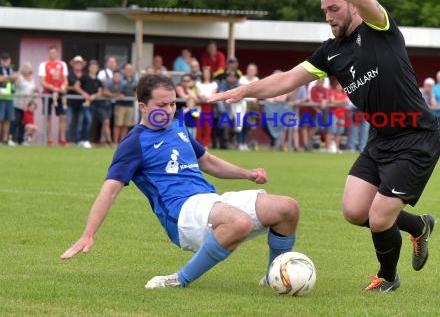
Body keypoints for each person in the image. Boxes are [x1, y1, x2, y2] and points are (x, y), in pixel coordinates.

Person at [210, 0, 439, 292]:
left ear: (352, 8)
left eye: (335, 9)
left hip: (415, 136)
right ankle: (418, 226)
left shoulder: (380, 29)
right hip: (381, 139)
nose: (329, 17)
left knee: (378, 218)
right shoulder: (331, 53)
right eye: (325, 12)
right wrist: (244, 90)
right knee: (354, 210)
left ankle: (388, 278)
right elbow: (286, 80)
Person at [60, 74, 300, 290]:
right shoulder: (133, 143)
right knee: (239, 222)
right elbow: (110, 190)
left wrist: (246, 173)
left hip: (210, 201)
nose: (169, 110)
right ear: (143, 107)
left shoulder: (179, 127)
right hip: (182, 213)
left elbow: (207, 161)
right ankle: (179, 279)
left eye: (173, 104)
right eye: (162, 105)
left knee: (288, 208)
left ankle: (273, 277)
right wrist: (88, 234)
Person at [38, 46, 68, 146]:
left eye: (54, 52)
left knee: (63, 116)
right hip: (47, 93)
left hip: (60, 92)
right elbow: (42, 81)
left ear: (57, 53)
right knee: (48, 116)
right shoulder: (44, 65)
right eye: (51, 52)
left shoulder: (62, 64)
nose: (53, 54)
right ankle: (49, 139)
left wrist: (63, 87)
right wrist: (52, 87)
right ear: (48, 53)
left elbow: (65, 79)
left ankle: (62, 139)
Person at [12, 63, 38, 145]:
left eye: (28, 68)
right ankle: (11, 139)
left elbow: (33, 90)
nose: (27, 69)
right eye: (25, 67)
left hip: (28, 107)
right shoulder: (19, 77)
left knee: (23, 124)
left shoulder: (32, 79)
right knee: (15, 122)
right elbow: (16, 86)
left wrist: (34, 96)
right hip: (18, 104)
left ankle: (21, 140)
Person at [113, 63, 137, 144]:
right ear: (124, 70)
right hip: (120, 105)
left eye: (130, 69)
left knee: (126, 126)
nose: (129, 71)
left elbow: (136, 90)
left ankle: (122, 143)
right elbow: (115, 89)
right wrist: (119, 94)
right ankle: (115, 143)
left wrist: (136, 94)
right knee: (118, 124)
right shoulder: (120, 79)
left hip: (130, 105)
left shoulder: (134, 80)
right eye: (127, 69)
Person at [0, 52, 18, 145]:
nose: (5, 61)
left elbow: (16, 77)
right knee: (0, 119)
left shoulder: (12, 68)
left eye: (7, 59)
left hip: (9, 96)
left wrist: (6, 78)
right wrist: (9, 78)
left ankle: (5, 139)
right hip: (1, 96)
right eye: (3, 60)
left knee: (8, 119)